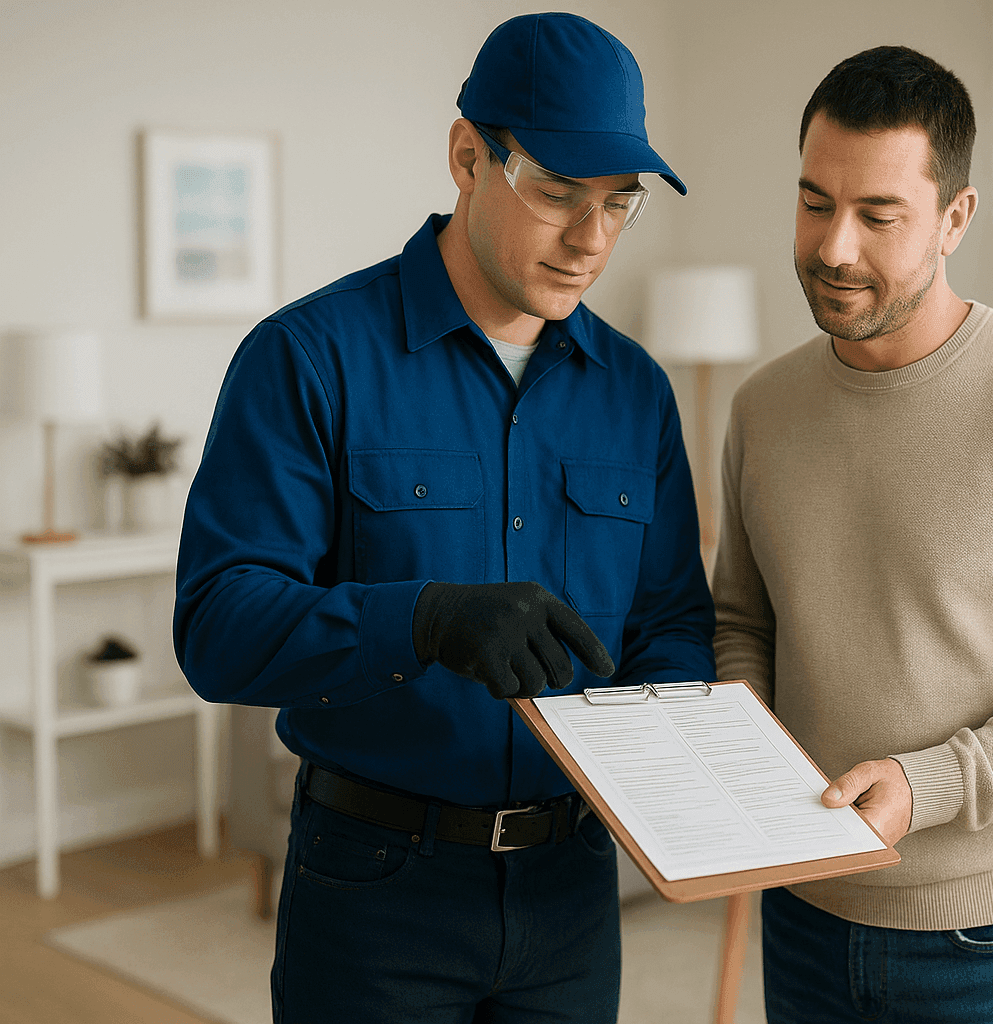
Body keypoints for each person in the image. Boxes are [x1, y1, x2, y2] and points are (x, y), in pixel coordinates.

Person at [173, 13, 714, 1022]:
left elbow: (672, 621)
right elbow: (218, 627)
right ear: (469, 157)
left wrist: (675, 759)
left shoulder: (638, 392)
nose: (591, 237)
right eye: (558, 192)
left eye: (619, 203)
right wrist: (420, 619)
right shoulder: (307, 358)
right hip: (377, 891)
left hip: (574, 900)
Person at [711, 45, 993, 1023]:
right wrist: (733, 766)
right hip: (803, 912)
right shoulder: (762, 408)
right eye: (814, 202)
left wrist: (931, 785)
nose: (834, 246)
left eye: (879, 216)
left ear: (955, 217)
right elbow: (744, 622)